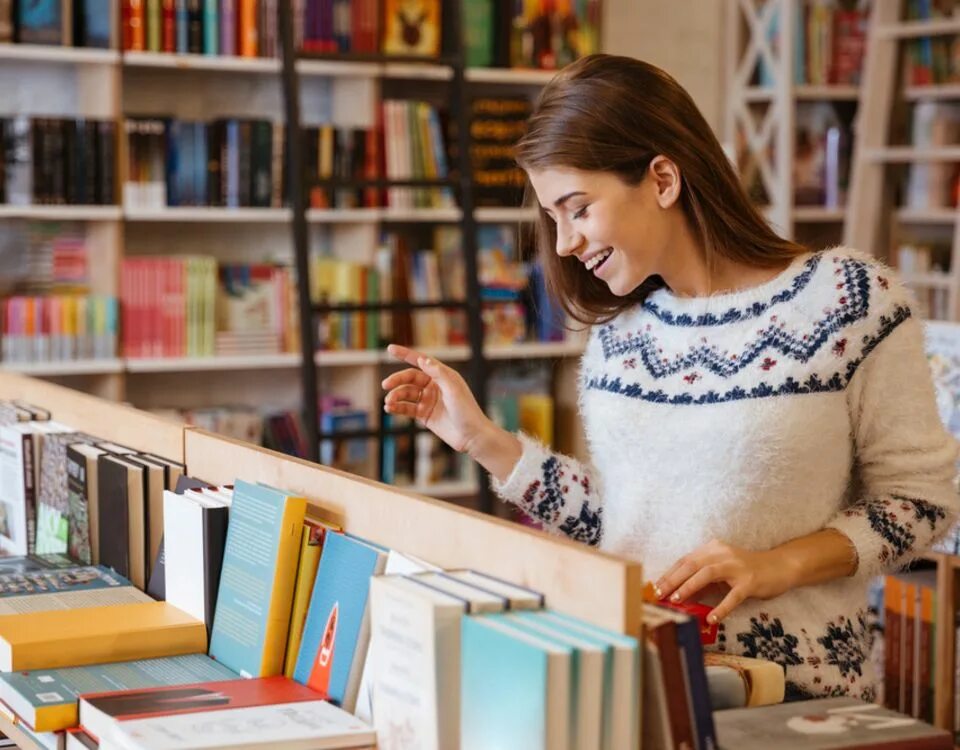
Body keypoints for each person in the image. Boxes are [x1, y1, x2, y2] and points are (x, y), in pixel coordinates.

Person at [381, 54, 959, 701]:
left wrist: (778, 566)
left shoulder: (850, 299)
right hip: (643, 679)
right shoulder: (620, 337)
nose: (565, 242)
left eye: (576, 208)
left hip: (792, 696)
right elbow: (620, 522)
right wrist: (479, 437)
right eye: (552, 218)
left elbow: (924, 500)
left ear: (661, 178)